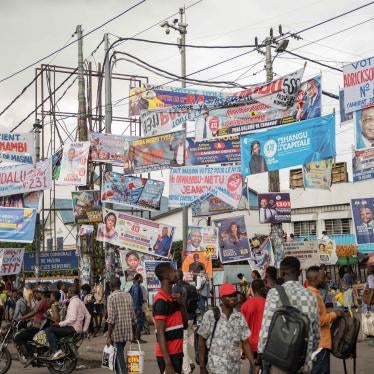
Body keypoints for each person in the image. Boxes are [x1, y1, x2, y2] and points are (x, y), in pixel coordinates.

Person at [258, 257, 320, 374]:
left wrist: (261, 354)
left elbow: (266, 328)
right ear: (299, 272)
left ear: (281, 273)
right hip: (303, 363)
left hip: (280, 361)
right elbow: (316, 334)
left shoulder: (274, 293)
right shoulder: (310, 296)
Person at [198, 283, 255, 374]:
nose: (233, 298)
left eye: (234, 295)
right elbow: (201, 341)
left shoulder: (239, 318)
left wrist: (253, 363)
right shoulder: (211, 315)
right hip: (215, 369)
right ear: (221, 298)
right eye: (229, 296)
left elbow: (246, 342)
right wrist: (202, 366)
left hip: (234, 369)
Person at [153, 263, 188, 374]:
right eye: (173, 271)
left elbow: (185, 325)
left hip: (177, 353)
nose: (176, 273)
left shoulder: (174, 298)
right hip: (167, 357)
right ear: (166, 276)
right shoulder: (161, 301)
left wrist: (181, 304)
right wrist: (168, 363)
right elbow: (160, 334)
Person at [306, 266, 342, 374]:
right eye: (323, 277)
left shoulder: (310, 293)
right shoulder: (314, 296)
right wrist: (335, 314)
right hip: (320, 345)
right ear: (315, 279)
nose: (325, 280)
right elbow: (319, 320)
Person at [45, 286, 90, 360]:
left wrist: (59, 324)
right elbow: (88, 316)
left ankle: (57, 351)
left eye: (68, 292)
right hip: (76, 328)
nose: (67, 293)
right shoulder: (80, 301)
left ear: (71, 293)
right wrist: (84, 329)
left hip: (72, 328)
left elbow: (72, 318)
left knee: (49, 330)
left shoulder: (73, 302)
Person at [106, 277, 136, 374]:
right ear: (120, 284)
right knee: (118, 356)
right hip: (127, 331)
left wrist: (108, 336)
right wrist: (134, 334)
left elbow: (111, 319)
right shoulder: (128, 295)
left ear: (111, 286)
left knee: (119, 358)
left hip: (117, 333)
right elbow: (133, 317)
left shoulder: (111, 297)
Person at [15, 286, 52, 362]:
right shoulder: (49, 301)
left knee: (18, 337)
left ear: (40, 293)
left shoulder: (42, 302)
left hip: (37, 327)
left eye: (36, 293)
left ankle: (30, 355)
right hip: (42, 325)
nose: (35, 295)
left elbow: (34, 312)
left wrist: (21, 318)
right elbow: (39, 314)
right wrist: (28, 319)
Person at [172, 270, 197, 374]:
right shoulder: (191, 287)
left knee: (183, 344)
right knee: (185, 341)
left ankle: (186, 370)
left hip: (183, 318)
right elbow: (197, 300)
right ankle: (190, 363)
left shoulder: (175, 288)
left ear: (176, 277)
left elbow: (175, 305)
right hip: (192, 317)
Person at [241, 279, 267, 374]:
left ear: (252, 289)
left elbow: (242, 329)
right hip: (265, 344)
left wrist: (242, 348)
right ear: (262, 289)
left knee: (253, 367)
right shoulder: (268, 304)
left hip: (250, 345)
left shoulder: (245, 306)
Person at [129, 274, 146, 344]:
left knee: (135, 323)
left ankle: (134, 338)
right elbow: (136, 298)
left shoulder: (134, 286)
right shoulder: (136, 286)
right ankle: (137, 338)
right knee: (139, 323)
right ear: (139, 278)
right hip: (137, 307)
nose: (142, 279)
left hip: (134, 307)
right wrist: (138, 309)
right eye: (142, 278)